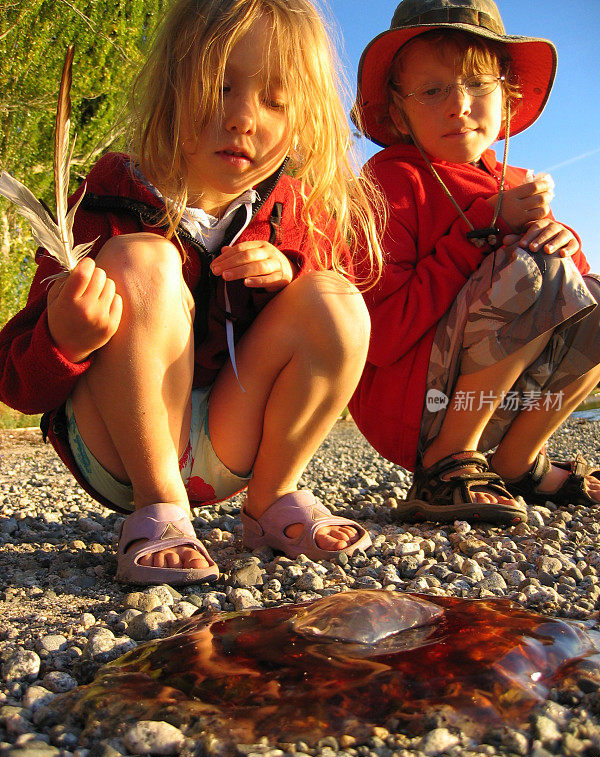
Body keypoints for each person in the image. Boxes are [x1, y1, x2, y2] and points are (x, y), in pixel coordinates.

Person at [0, 0, 384, 585]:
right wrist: (63, 340)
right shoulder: (107, 198)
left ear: (303, 118)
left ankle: (271, 499)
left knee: (333, 299)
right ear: (172, 88)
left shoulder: (290, 215)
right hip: (117, 447)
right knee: (139, 259)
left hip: (229, 445)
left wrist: (289, 276)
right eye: (220, 86)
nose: (243, 119)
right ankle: (160, 506)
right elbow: (15, 383)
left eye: (276, 101)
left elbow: (320, 340)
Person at [349, 0, 600, 525]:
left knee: (581, 281)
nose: (459, 104)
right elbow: (382, 335)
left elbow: (574, 292)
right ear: (399, 111)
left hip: (494, 399)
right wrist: (487, 230)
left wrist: (562, 238)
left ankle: (517, 463)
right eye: (433, 90)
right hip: (417, 404)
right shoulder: (391, 183)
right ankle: (446, 461)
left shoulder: (513, 180)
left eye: (477, 85)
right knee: (532, 265)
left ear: (507, 99)